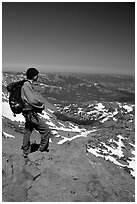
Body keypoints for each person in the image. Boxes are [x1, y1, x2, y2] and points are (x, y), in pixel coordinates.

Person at [21, 67, 51, 158]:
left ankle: (25, 151)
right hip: (30, 113)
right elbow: (32, 100)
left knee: (28, 130)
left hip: (27, 112)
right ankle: (41, 151)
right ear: (34, 76)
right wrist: (41, 105)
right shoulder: (26, 85)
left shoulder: (25, 84)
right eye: (36, 75)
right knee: (46, 130)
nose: (38, 76)